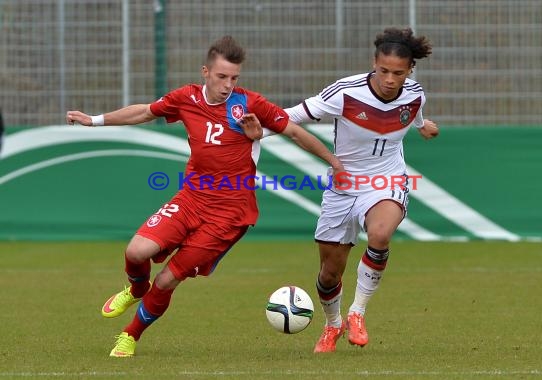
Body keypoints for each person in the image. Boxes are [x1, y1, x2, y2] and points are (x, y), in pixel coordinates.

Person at [66, 35, 343, 357]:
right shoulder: (185, 98)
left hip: (230, 213)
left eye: (234, 78)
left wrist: (334, 162)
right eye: (222, 77)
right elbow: (145, 112)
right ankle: (137, 288)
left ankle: (129, 335)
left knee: (169, 279)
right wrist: (94, 120)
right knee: (137, 250)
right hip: (191, 199)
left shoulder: (250, 104)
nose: (228, 85)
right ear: (205, 72)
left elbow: (294, 131)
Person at [275, 27, 439, 352]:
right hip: (343, 186)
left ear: (410, 71)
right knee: (328, 274)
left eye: (398, 73)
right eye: (383, 71)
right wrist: (252, 129)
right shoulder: (345, 92)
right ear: (373, 63)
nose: (390, 79)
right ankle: (333, 324)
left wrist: (423, 126)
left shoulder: (415, 93)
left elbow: (415, 113)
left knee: (379, 235)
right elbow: (291, 116)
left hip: (386, 180)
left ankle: (357, 312)